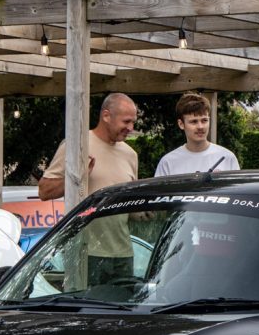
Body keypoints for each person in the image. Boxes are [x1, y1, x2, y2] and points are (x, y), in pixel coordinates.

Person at [39, 92, 139, 286]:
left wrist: (142, 213)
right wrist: (79, 176)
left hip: (123, 254)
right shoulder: (77, 145)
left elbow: (128, 207)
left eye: (133, 122)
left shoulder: (130, 155)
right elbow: (44, 191)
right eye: (126, 121)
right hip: (86, 253)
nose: (131, 128)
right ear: (107, 115)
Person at [154, 93, 240, 176]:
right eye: (194, 121)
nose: (200, 126)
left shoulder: (227, 158)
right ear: (181, 124)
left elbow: (237, 190)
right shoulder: (167, 163)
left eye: (204, 120)